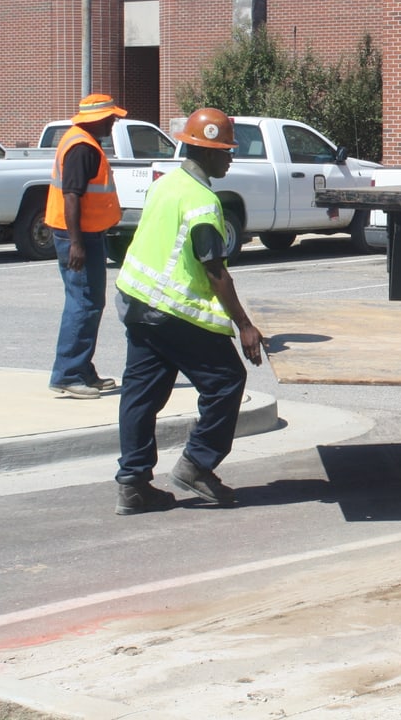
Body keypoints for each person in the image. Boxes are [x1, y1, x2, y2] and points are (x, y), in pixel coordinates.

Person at [111, 107, 265, 515]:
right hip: (172, 311)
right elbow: (214, 271)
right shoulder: (202, 202)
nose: (231, 157)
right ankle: (196, 465)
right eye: (226, 151)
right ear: (208, 153)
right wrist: (245, 326)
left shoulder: (167, 184)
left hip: (137, 302)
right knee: (227, 380)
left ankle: (133, 485)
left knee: (141, 394)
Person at [46, 93, 127, 398]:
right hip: (78, 237)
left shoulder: (81, 141)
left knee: (88, 303)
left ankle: (81, 369)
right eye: (111, 117)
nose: (114, 121)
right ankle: (68, 373)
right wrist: (77, 243)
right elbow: (71, 196)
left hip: (83, 234)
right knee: (84, 303)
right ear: (97, 118)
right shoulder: (82, 147)